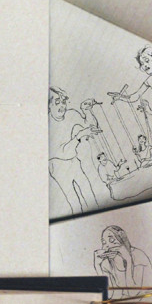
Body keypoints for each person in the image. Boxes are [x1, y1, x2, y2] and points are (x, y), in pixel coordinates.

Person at [48, 86, 99, 214]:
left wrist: (86, 110)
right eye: (57, 102)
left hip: (73, 161)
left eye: (63, 101)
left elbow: (91, 126)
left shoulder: (71, 114)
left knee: (88, 193)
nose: (62, 106)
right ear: (48, 105)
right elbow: (62, 152)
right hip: (57, 165)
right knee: (73, 201)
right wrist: (79, 136)